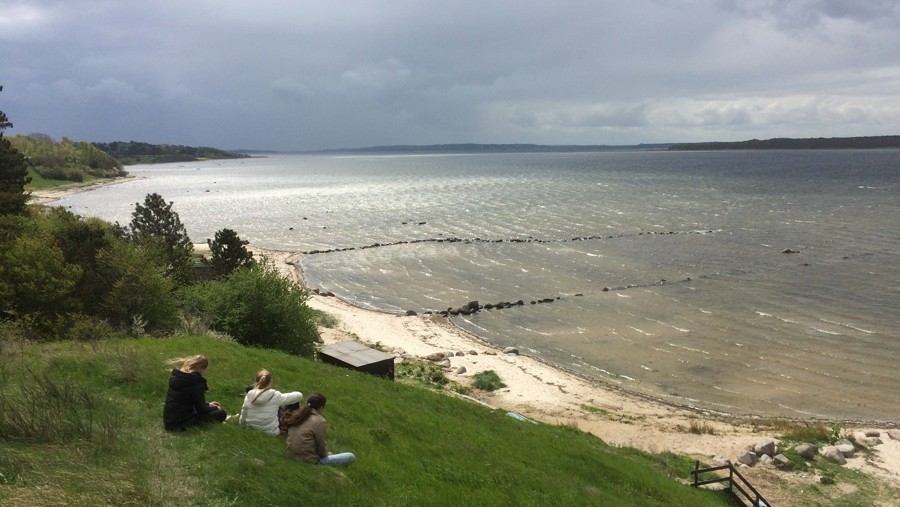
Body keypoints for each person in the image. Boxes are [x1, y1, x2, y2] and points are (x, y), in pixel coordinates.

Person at [282, 392, 356, 466]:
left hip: (291, 455)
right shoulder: (320, 421)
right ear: (321, 408)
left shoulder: (297, 415)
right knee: (350, 456)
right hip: (308, 460)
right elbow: (321, 447)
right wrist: (326, 454)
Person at [162, 355, 227, 431]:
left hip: (170, 422)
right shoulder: (196, 382)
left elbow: (189, 402)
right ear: (201, 369)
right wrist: (215, 408)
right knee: (221, 413)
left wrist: (208, 405)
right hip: (181, 424)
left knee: (207, 409)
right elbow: (201, 409)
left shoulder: (177, 377)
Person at [239, 369, 303, 436]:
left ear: (257, 382)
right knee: (293, 402)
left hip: (251, 429)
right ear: (271, 382)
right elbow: (299, 395)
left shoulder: (249, 396)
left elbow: (243, 415)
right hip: (271, 432)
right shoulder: (275, 395)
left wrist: (243, 427)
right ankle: (292, 430)